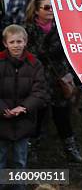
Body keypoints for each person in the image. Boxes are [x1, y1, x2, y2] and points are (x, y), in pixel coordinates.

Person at [23, 0, 82, 163]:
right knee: (36, 116)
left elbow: (72, 53)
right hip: (37, 80)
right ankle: (31, 149)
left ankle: (71, 150)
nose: (51, 10)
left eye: (52, 7)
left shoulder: (63, 27)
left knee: (62, 116)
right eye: (46, 7)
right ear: (36, 11)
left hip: (59, 79)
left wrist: (72, 74)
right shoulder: (28, 29)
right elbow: (29, 54)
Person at [0, 25, 48, 187]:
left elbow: (40, 91)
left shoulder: (35, 64)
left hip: (24, 122)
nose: (16, 45)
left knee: (20, 162)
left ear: (25, 42)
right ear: (5, 43)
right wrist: (2, 109)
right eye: (12, 42)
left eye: (19, 41)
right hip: (1, 121)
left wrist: (24, 107)